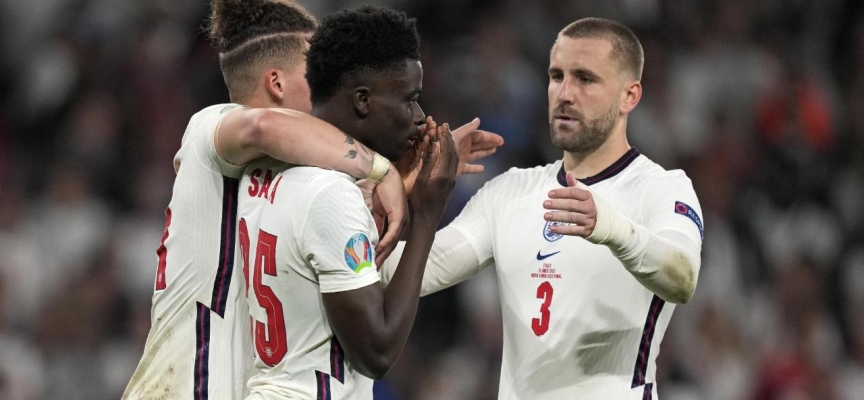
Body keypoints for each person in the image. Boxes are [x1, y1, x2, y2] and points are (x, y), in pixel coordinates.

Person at [122, 1, 500, 398]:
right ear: (277, 84)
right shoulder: (209, 130)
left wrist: (416, 188)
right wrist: (382, 171)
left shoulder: (289, 180)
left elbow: (369, 270)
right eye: (313, 74)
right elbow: (261, 125)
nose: (325, 85)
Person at [381, 17, 704, 399]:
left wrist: (613, 229)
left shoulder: (661, 188)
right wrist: (393, 185)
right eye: (556, 76)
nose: (565, 93)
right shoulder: (509, 193)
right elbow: (397, 271)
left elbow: (682, 277)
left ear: (629, 96)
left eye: (585, 79)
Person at [237, 5, 458, 400]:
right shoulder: (332, 194)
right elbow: (377, 352)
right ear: (362, 100)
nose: (420, 117)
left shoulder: (264, 170)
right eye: (409, 99)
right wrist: (427, 213)